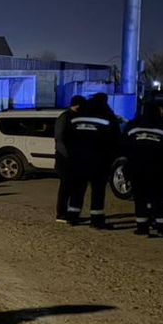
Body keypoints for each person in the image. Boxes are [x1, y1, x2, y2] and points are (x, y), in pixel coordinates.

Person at [123, 104, 163, 236]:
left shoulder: (134, 128)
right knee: (159, 199)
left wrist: (128, 168)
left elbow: (125, 148)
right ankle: (162, 228)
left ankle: (142, 227)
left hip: (137, 170)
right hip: (157, 170)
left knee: (140, 199)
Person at [65, 95, 120, 228]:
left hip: (77, 160)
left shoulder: (76, 119)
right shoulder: (106, 119)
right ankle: (96, 219)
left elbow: (67, 138)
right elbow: (115, 139)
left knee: (77, 189)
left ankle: (72, 216)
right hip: (98, 161)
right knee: (97, 190)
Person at [54, 95, 86, 223]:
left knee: (72, 186)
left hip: (71, 157)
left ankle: (70, 214)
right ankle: (61, 214)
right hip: (65, 158)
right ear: (78, 105)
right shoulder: (66, 117)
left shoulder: (71, 116)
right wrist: (68, 155)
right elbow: (59, 138)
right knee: (66, 186)